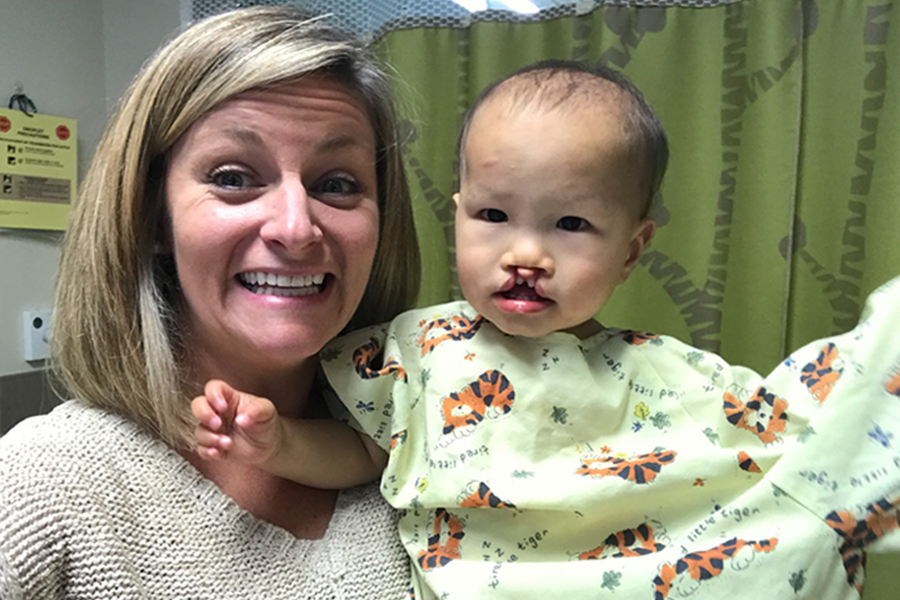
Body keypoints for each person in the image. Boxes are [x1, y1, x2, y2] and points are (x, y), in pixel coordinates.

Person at [195, 59, 900, 599]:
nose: (525, 254)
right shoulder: (417, 351)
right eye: (494, 217)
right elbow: (365, 452)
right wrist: (280, 441)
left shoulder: (670, 374)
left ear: (630, 248)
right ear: (459, 211)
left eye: (570, 225)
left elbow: (788, 441)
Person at [0, 7, 421, 599]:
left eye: (337, 184)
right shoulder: (44, 484)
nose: (297, 229)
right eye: (232, 176)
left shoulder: (427, 455)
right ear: (151, 217)